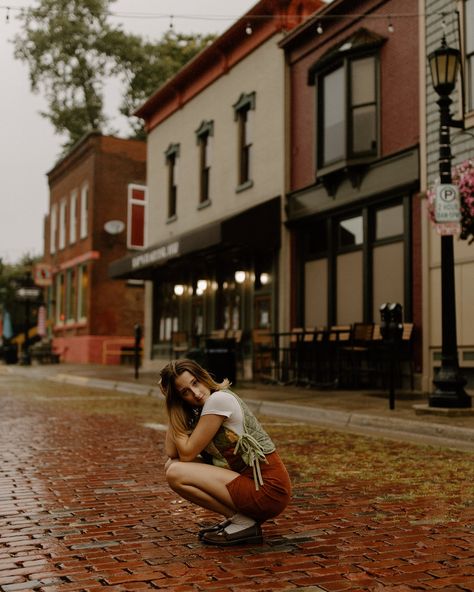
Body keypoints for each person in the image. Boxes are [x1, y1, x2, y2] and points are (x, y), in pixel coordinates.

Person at [158, 358, 292, 546]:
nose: (195, 393)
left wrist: (173, 402)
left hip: (268, 489)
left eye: (195, 383)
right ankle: (241, 519)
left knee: (175, 472)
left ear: (202, 376)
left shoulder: (218, 400)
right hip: (249, 483)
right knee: (172, 465)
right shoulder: (201, 409)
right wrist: (173, 403)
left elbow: (187, 453)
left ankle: (243, 522)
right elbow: (172, 452)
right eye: (184, 392)